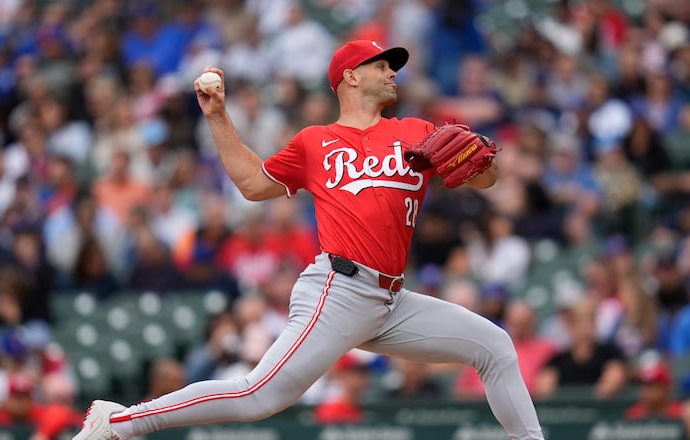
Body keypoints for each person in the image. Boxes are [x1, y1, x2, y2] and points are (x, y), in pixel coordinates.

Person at [73, 39, 544, 440]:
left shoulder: (416, 133)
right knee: (258, 395)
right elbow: (254, 185)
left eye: (393, 67)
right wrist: (218, 118)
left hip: (391, 300)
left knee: (495, 347)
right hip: (339, 289)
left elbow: (484, 181)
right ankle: (117, 422)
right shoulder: (315, 141)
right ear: (350, 78)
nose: (392, 73)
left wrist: (480, 160)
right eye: (381, 65)